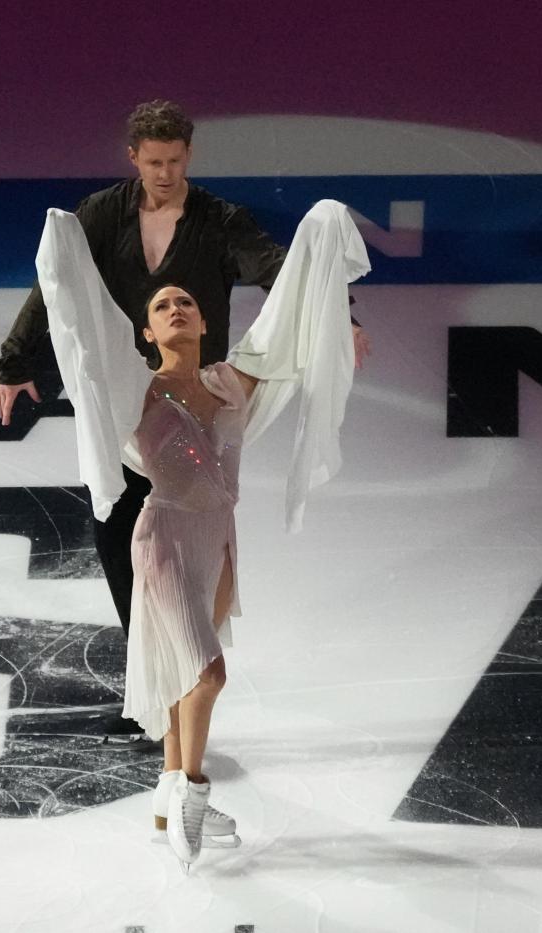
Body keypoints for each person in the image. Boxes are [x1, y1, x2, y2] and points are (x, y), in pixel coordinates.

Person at [0, 100, 371, 741]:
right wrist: (14, 360)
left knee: (187, 538)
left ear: (187, 156)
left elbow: (282, 274)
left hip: (193, 401)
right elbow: (55, 285)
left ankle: (181, 682)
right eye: (153, 161)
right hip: (126, 399)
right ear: (133, 156)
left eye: (175, 161)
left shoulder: (221, 222)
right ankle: (156, 684)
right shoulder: (102, 214)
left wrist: (343, 314)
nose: (164, 173)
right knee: (117, 536)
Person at [36, 199, 370, 870]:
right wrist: (68, 251)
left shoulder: (230, 384)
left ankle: (167, 804)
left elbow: (284, 322)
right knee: (205, 671)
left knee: (179, 678)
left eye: (186, 300)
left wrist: (323, 248)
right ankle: (189, 788)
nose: (176, 307)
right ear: (149, 332)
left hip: (219, 545)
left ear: (206, 320)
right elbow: (86, 334)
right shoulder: (139, 393)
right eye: (162, 306)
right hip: (161, 540)